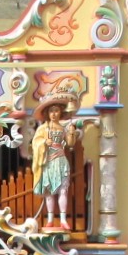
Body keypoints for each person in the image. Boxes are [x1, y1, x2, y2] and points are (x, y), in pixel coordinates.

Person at [31, 92, 79, 231]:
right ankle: (50, 219)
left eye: (56, 110)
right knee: (49, 192)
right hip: (48, 162)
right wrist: (44, 142)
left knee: (63, 191)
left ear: (60, 112)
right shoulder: (43, 128)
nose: (53, 114)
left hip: (61, 161)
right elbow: (35, 143)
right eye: (51, 111)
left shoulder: (63, 128)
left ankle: (63, 219)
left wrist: (71, 132)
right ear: (47, 113)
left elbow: (70, 144)